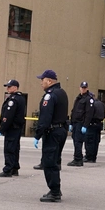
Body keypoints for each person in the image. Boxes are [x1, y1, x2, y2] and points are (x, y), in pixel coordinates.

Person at [33, 69, 69, 202]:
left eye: (42, 80)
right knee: (54, 161)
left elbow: (45, 117)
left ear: (49, 81)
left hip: (52, 132)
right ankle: (55, 189)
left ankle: (54, 192)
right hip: (61, 131)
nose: (41, 83)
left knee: (49, 162)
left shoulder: (50, 95)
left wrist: (38, 134)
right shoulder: (62, 92)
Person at [0, 79, 25, 177]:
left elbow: (8, 116)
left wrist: (2, 128)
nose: (7, 88)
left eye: (9, 86)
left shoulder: (13, 99)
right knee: (15, 148)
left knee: (9, 148)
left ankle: (8, 169)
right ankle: (14, 168)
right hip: (17, 128)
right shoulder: (20, 98)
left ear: (15, 87)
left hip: (12, 128)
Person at [67, 81, 92, 167]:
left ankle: (78, 159)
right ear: (80, 88)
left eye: (85, 88)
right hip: (75, 123)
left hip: (81, 123)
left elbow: (89, 114)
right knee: (75, 141)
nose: (83, 89)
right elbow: (73, 111)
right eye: (82, 87)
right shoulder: (78, 98)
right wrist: (71, 123)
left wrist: (85, 125)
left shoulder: (88, 99)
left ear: (87, 88)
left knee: (78, 141)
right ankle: (78, 158)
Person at [85, 93, 105, 163]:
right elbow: (104, 114)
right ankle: (93, 157)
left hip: (92, 124)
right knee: (96, 142)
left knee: (89, 141)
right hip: (99, 124)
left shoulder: (91, 104)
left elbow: (89, 114)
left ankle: (89, 157)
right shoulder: (101, 104)